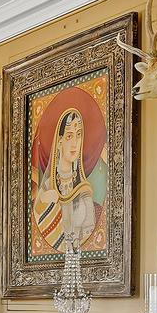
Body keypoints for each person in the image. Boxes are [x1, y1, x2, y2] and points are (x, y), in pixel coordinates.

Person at [32, 107, 101, 252]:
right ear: (59, 142)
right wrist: (45, 201)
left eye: (78, 135)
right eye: (69, 136)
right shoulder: (48, 186)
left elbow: (89, 236)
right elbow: (38, 230)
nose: (75, 143)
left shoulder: (84, 189)